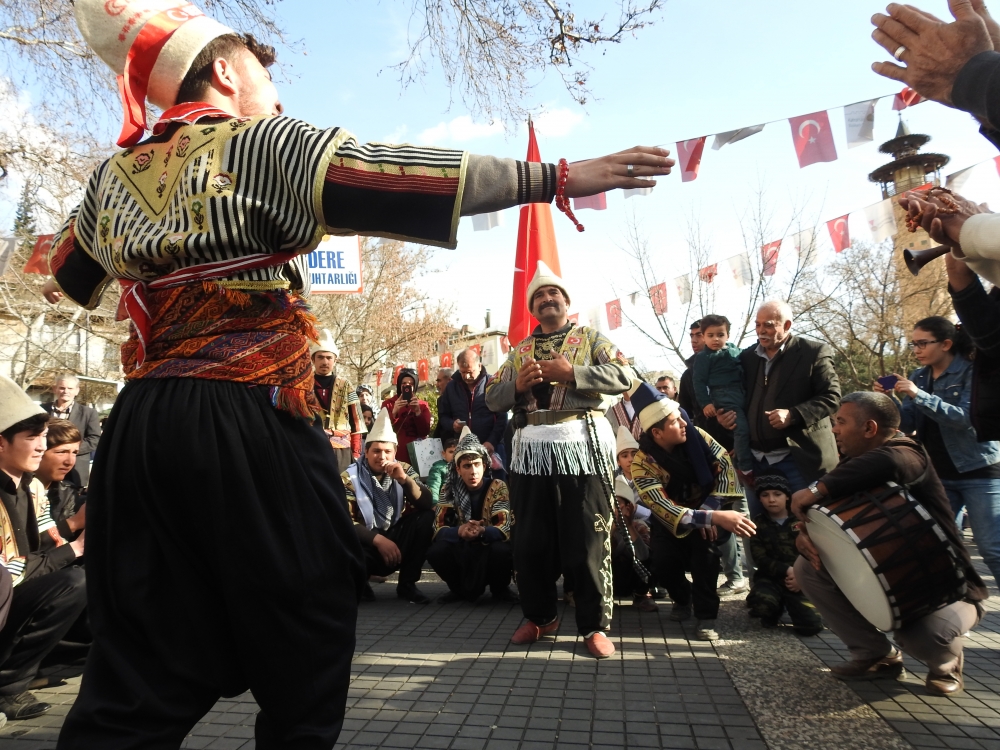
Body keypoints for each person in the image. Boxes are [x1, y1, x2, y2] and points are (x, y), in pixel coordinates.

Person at [41, 0, 673, 742]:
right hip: (246, 413)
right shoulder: (258, 144)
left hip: (140, 423)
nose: (277, 98)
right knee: (307, 619)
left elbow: (68, 274)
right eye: (262, 78)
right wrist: (556, 176)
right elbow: (390, 175)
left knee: (140, 657)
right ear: (220, 70)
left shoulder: (113, 176)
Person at [791, 392, 987, 695]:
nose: (834, 429)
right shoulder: (851, 464)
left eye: (840, 422)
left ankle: (946, 666)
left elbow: (889, 460)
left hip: (949, 589)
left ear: (869, 428)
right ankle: (876, 655)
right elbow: (820, 515)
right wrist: (805, 532)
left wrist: (816, 488)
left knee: (923, 638)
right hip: (891, 577)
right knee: (808, 567)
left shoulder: (908, 452)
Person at [485, 261, 633, 659]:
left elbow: (624, 375)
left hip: (582, 443)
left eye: (555, 294)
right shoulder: (520, 350)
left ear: (567, 303)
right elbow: (491, 397)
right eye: (540, 296)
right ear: (533, 309)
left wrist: (574, 374)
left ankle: (594, 626)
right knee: (531, 538)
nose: (548, 299)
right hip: (531, 449)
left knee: (586, 535)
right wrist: (516, 386)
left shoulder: (591, 339)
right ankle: (539, 617)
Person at [875, 317, 1000, 584]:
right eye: (914, 344)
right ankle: (958, 613)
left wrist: (919, 395)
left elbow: (966, 418)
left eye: (923, 343)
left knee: (992, 549)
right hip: (939, 474)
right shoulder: (919, 376)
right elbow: (907, 423)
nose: (917, 350)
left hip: (979, 471)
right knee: (941, 546)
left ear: (945, 344)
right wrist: (889, 398)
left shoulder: (972, 372)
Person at [629, 383, 755, 641]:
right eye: (676, 422)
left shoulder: (698, 436)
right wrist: (711, 518)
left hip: (707, 509)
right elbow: (664, 507)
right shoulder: (642, 463)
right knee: (663, 564)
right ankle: (682, 599)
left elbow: (725, 472)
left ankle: (706, 617)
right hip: (670, 521)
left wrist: (709, 511)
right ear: (658, 433)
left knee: (706, 559)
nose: (684, 423)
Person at [0, 376, 86, 720]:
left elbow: (53, 542)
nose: (39, 446)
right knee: (73, 584)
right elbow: (9, 573)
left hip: (17, 596)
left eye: (42, 438)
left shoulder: (32, 487)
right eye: (31, 438)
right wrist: (76, 546)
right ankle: (8, 687)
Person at [731, 301, 840, 517]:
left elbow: (832, 397)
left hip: (798, 460)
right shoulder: (746, 357)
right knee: (762, 533)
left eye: (769, 325)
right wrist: (729, 416)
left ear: (787, 325)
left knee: (808, 527)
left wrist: (793, 415)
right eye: (758, 324)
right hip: (755, 462)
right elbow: (739, 397)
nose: (761, 330)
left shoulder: (813, 352)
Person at [342, 408, 434, 604]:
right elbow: (344, 521)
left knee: (425, 518)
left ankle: (407, 584)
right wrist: (377, 540)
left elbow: (427, 502)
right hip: (366, 544)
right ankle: (361, 583)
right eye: (376, 451)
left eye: (387, 452)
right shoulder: (349, 477)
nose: (381, 457)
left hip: (393, 537)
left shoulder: (404, 469)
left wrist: (405, 480)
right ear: (366, 452)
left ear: (394, 453)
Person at [426, 429, 516, 603]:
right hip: (462, 546)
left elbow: (505, 526)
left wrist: (482, 530)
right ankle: (458, 590)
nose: (473, 471)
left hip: (488, 546)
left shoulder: (498, 486)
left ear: (485, 466)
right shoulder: (449, 489)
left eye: (477, 464)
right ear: (458, 469)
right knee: (437, 552)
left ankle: (500, 590)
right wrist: (460, 531)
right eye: (467, 466)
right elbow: (438, 527)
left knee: (502, 550)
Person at [744, 471, 822, 635]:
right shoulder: (757, 523)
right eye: (765, 495)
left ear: (787, 496)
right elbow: (760, 559)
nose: (771, 499)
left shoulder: (803, 520)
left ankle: (795, 605)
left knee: (810, 627)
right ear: (759, 498)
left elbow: (816, 553)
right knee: (761, 604)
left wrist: (800, 576)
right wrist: (787, 570)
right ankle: (774, 608)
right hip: (772, 578)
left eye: (777, 494)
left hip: (802, 578)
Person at [693, 314, 751, 474]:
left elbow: (748, 357)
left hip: (741, 392)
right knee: (741, 429)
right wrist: (706, 403)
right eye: (710, 335)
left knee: (749, 425)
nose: (715, 339)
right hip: (723, 395)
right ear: (703, 337)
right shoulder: (704, 357)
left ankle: (742, 459)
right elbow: (698, 382)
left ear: (728, 335)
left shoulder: (734, 350)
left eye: (720, 335)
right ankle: (745, 468)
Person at [437, 349, 508, 472]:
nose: (466, 376)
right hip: (463, 449)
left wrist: (491, 442)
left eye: (470, 372)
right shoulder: (451, 387)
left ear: (479, 366)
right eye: (463, 372)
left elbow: (502, 417)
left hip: (492, 447)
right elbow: (443, 416)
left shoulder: (492, 384)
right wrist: (452, 425)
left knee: (497, 487)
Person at [679, 320, 733, 450]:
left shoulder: (735, 363)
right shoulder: (687, 376)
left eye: (698, 335)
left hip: (737, 442)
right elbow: (685, 415)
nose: (694, 340)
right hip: (706, 447)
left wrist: (741, 444)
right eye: (691, 336)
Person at [312, 335, 361, 472]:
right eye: (320, 357)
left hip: (342, 448)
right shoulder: (304, 385)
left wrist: (356, 451)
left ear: (335, 360)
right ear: (313, 359)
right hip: (312, 445)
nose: (324, 361)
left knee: (342, 488)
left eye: (329, 358)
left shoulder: (346, 385)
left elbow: (356, 422)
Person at [41, 375, 101, 487]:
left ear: (77, 391)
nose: (65, 391)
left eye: (70, 388)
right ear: (55, 389)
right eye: (62, 388)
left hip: (75, 468)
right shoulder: (41, 410)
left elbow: (95, 439)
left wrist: (68, 451)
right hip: (45, 467)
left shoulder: (88, 413)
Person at [35, 421, 87, 544]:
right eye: (61, 452)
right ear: (38, 451)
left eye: (75, 453)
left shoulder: (69, 495)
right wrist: (74, 523)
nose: (70, 461)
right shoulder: (13, 493)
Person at [611, 475, 657, 612]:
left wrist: (629, 526)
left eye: (618, 503)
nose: (614, 508)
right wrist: (612, 529)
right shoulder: (599, 527)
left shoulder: (639, 526)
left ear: (628, 507)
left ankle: (641, 596)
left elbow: (644, 557)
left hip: (630, 579)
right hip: (610, 579)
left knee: (655, 554)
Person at [381, 369, 432, 463]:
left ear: (415, 386)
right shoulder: (388, 404)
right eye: (404, 383)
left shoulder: (422, 405)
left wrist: (417, 412)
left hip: (417, 455)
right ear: (399, 385)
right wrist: (394, 412)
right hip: (395, 453)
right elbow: (382, 430)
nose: (407, 386)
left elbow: (425, 431)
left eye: (411, 384)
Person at [427, 438, 459, 504]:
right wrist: (434, 503)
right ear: (444, 454)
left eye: (457, 452)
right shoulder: (438, 469)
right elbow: (433, 487)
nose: (454, 455)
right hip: (444, 504)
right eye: (451, 452)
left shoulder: (464, 467)